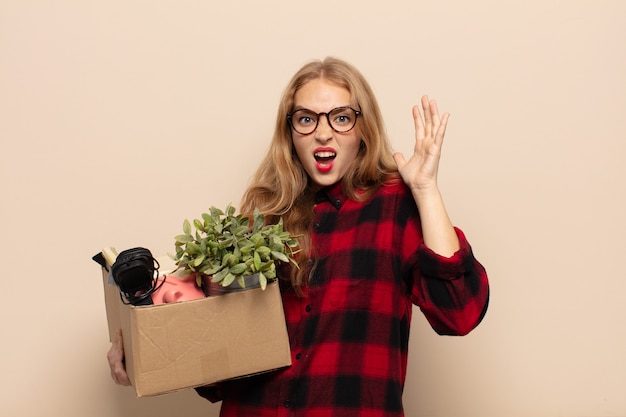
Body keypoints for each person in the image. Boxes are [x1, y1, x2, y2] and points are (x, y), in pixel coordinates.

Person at [107, 57, 490, 416]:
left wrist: (425, 191)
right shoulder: (257, 220)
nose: (323, 133)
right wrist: (150, 354)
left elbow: (459, 313)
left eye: (341, 117)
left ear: (363, 130)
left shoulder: (395, 206)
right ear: (290, 133)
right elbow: (220, 367)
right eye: (306, 119)